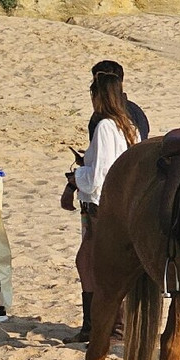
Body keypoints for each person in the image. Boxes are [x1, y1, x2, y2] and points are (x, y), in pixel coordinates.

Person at [63, 71, 140, 343]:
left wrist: (76, 178)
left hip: (101, 205)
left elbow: (100, 176)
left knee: (95, 265)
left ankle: (108, 327)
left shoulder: (107, 126)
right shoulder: (128, 124)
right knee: (90, 263)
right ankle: (97, 325)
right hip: (110, 203)